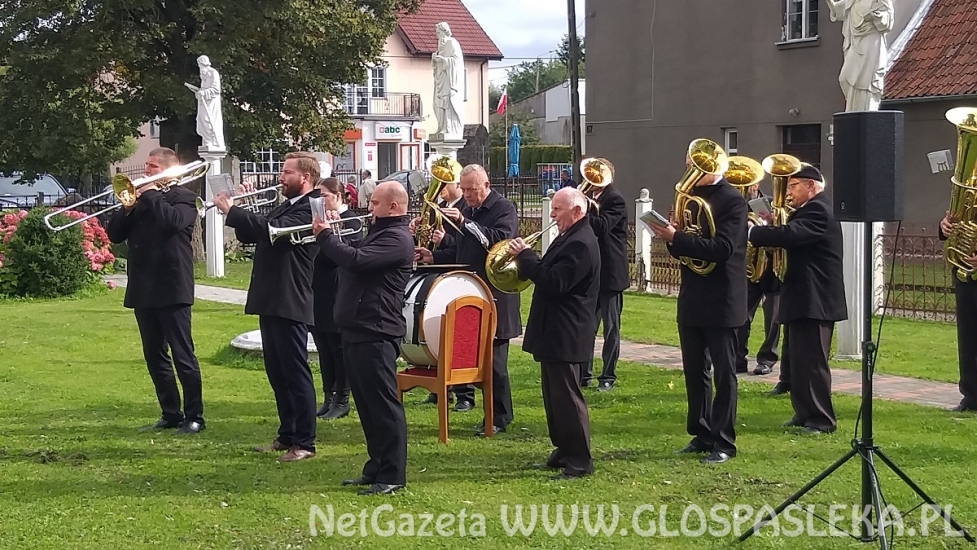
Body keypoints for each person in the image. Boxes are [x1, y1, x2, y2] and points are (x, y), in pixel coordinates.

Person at [214, 151, 320, 462]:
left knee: (295, 372)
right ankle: (287, 434)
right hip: (272, 297)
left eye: (287, 172)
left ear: (305, 178)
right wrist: (238, 208)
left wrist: (234, 210)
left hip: (290, 297)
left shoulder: (311, 208)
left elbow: (269, 231)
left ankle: (305, 442)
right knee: (277, 372)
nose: (280, 177)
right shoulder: (287, 205)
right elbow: (254, 233)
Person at [314, 181, 414, 496]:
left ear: (393, 207)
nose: (369, 208)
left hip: (377, 330)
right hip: (358, 328)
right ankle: (376, 467)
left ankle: (393, 474)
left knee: (383, 405)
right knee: (367, 405)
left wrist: (326, 236)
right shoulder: (380, 233)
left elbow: (357, 261)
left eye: (374, 204)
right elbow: (349, 260)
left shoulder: (397, 238)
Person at [649, 153, 748, 464]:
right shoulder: (689, 198)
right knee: (695, 371)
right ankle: (702, 433)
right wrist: (671, 237)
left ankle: (724, 441)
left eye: (698, 166)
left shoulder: (733, 201)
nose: (692, 170)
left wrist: (677, 236)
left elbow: (723, 250)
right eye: (691, 164)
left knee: (724, 373)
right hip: (693, 294)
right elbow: (682, 251)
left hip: (723, 297)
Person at [414, 164, 520, 435]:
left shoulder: (503, 208)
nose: (468, 195)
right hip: (470, 292)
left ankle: (500, 417)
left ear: (486, 185)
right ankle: (484, 411)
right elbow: (461, 252)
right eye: (464, 189)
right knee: (476, 358)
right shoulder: (469, 210)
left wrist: (464, 222)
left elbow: (497, 242)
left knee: (495, 362)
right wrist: (433, 256)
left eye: (472, 189)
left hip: (496, 294)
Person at [106, 147, 205, 434]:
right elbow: (114, 235)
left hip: (173, 286)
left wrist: (149, 194)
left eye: (151, 166)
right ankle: (170, 412)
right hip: (143, 287)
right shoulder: (137, 200)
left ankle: (195, 416)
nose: (146, 171)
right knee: (154, 354)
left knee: (183, 354)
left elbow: (172, 222)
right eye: (146, 166)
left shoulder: (184, 198)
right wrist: (128, 207)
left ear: (166, 169)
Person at [509, 187, 600, 479]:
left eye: (557, 209)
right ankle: (563, 448)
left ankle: (580, 459)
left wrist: (525, 257)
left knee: (567, 395)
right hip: (554, 328)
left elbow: (555, 281)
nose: (551, 214)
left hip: (567, 330)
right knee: (553, 394)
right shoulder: (569, 237)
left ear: (577, 211)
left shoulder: (581, 244)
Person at [749, 164, 847, 434]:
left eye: (794, 186)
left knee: (813, 364)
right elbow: (790, 233)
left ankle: (822, 419)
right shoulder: (806, 211)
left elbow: (792, 235)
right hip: (801, 295)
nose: (789, 192)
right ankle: (804, 412)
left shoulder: (819, 209)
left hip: (815, 297)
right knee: (798, 362)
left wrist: (754, 232)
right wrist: (771, 222)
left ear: (812, 187)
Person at [418, 175, 473, 411]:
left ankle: (465, 394)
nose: (440, 188)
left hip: (459, 278)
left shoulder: (465, 209)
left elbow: (465, 245)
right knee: (437, 333)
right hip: (441, 274)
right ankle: (441, 389)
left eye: (445, 184)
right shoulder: (440, 209)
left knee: (459, 336)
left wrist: (444, 240)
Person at [310, 177, 363, 420]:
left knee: (338, 347)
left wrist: (331, 234)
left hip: (338, 289)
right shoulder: (319, 222)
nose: (320, 201)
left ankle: (342, 398)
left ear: (339, 196)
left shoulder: (351, 220)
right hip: (318, 289)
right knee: (323, 347)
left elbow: (349, 254)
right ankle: (328, 396)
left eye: (325, 196)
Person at [580, 173, 629, 391]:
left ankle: (608, 375)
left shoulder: (615, 199)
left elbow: (602, 226)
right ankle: (584, 374)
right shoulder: (588, 195)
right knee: (587, 327)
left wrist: (582, 210)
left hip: (611, 272)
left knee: (611, 329)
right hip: (592, 271)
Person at [739, 183, 782, 377]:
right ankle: (738, 358)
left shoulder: (771, 205)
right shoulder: (738, 206)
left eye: (751, 183)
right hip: (750, 269)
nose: (749, 187)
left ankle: (767, 360)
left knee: (772, 318)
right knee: (742, 315)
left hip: (771, 268)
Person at [938, 211, 977, 412]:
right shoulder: (969, 197)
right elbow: (955, 225)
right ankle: (971, 396)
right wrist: (945, 226)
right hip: (967, 276)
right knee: (968, 337)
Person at [825, 0, 894, 111]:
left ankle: (868, 109)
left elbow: (889, 20)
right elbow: (838, 11)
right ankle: (854, 111)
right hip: (855, 43)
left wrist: (876, 16)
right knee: (844, 78)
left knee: (866, 81)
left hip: (871, 41)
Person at [184, 55, 225, 150]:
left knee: (208, 120)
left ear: (204, 64)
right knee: (201, 120)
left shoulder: (213, 73)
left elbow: (216, 90)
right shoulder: (204, 75)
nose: (200, 67)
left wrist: (204, 92)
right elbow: (202, 89)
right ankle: (207, 141)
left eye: (200, 65)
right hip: (203, 102)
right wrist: (198, 92)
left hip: (211, 103)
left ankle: (213, 141)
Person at [432, 22, 465, 138]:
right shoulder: (441, 46)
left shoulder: (452, 42)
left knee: (447, 102)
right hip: (441, 79)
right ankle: (441, 127)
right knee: (438, 104)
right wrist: (435, 61)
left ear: (445, 31)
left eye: (439, 33)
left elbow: (456, 61)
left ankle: (449, 128)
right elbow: (438, 66)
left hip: (449, 80)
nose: (438, 36)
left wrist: (444, 60)